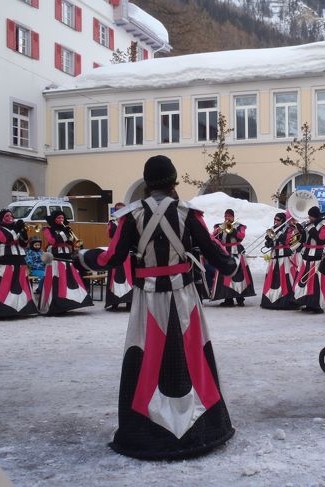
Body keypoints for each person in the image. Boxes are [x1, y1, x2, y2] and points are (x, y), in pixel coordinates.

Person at [76, 155, 238, 460]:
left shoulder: (130, 216)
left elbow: (110, 258)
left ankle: (145, 433)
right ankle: (203, 429)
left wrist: (82, 257)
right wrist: (229, 266)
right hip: (185, 298)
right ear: (174, 181)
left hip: (147, 300)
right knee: (193, 358)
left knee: (146, 359)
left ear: (147, 182)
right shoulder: (189, 213)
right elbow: (213, 250)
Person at [39, 210, 93, 315]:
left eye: (62, 218)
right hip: (55, 258)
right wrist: (64, 232)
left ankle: (69, 303)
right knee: (57, 281)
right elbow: (53, 241)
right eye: (58, 218)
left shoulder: (67, 229)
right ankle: (56, 305)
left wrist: (71, 238)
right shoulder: (47, 229)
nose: (61, 220)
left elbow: (71, 242)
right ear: (54, 219)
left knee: (68, 280)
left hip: (67, 256)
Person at [0, 209, 38, 318]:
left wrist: (24, 233)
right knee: (4, 283)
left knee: (21, 283)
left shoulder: (17, 228)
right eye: (7, 216)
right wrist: (17, 229)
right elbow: (5, 239)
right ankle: (1, 308)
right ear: (1, 218)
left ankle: (23, 308)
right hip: (5, 258)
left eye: (11, 215)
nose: (10, 217)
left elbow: (24, 244)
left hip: (20, 258)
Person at [211, 209, 255, 307]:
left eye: (229, 216)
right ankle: (228, 299)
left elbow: (241, 236)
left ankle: (240, 298)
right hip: (225, 252)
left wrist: (232, 229)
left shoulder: (239, 226)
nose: (227, 218)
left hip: (237, 252)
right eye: (226, 216)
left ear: (233, 217)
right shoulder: (219, 226)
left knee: (238, 275)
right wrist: (218, 231)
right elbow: (214, 237)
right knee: (226, 276)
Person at [293, 206, 325, 313]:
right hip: (307, 254)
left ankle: (317, 305)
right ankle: (308, 303)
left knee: (316, 280)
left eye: (311, 216)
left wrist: (312, 229)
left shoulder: (324, 225)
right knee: (306, 280)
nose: (309, 218)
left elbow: (321, 240)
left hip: (318, 254)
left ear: (315, 216)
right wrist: (301, 231)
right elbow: (304, 240)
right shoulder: (309, 224)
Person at [260, 212, 300, 309]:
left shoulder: (289, 229)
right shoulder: (273, 229)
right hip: (274, 256)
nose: (275, 221)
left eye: (278, 220)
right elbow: (269, 244)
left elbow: (288, 241)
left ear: (282, 221)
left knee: (284, 278)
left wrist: (277, 236)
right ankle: (270, 300)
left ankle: (285, 301)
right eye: (275, 219)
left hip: (284, 257)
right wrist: (268, 241)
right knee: (272, 278)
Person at [105, 202, 133, 311]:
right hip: (114, 252)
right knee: (114, 276)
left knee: (128, 277)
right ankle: (114, 302)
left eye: (122, 209)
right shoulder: (112, 223)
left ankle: (129, 302)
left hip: (126, 253)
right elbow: (109, 235)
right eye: (118, 209)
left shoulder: (130, 222)